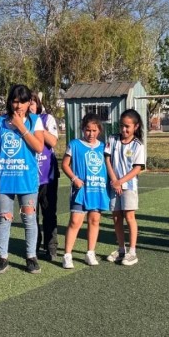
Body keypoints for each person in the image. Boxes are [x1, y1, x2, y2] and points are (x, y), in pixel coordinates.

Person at [0, 84, 45, 274]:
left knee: (29, 218)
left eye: (23, 101)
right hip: (3, 180)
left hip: (27, 179)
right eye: (15, 101)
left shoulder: (35, 121)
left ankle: (31, 257)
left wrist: (21, 126)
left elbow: (39, 147)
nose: (19, 106)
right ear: (9, 102)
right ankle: (2, 258)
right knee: (3, 219)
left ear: (30, 102)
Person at [61, 114, 109, 269]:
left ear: (99, 130)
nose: (91, 134)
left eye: (94, 130)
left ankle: (90, 252)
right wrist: (74, 178)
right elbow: (65, 164)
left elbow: (108, 166)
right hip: (81, 190)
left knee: (94, 220)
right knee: (75, 221)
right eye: (88, 130)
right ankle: (67, 255)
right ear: (83, 129)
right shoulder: (75, 144)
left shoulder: (103, 147)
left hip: (97, 189)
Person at [104, 109, 146, 266]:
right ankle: (121, 249)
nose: (124, 129)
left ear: (136, 126)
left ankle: (132, 252)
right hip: (114, 185)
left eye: (127, 126)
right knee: (116, 217)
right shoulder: (112, 139)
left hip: (128, 186)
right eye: (121, 125)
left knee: (129, 217)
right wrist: (114, 180)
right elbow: (107, 160)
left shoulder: (138, 145)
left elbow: (137, 169)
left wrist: (121, 181)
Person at [29, 92, 60, 260]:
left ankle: (51, 247)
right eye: (27, 103)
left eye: (32, 103)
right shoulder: (20, 122)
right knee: (31, 214)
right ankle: (33, 247)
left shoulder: (46, 118)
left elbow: (53, 141)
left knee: (49, 212)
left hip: (48, 175)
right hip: (28, 176)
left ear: (38, 104)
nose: (30, 106)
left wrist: (37, 124)